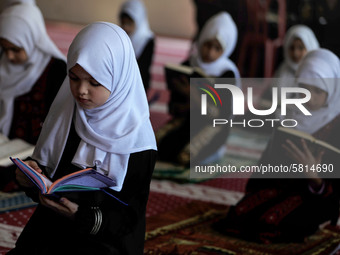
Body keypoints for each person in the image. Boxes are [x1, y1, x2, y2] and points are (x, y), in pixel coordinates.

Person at [8, 22, 157, 255]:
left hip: (104, 241)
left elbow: (129, 217)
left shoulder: (136, 141)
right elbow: (50, 179)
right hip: (53, 229)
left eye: (94, 82)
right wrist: (30, 176)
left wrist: (81, 216)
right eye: (74, 78)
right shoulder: (66, 114)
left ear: (118, 78)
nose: (81, 91)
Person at [214, 49, 340, 243]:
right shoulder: (288, 115)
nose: (309, 98)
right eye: (303, 89)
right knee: (238, 214)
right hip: (282, 187)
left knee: (271, 223)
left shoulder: (336, 127)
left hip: (318, 197)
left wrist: (314, 176)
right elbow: (268, 163)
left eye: (318, 91)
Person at [156, 11, 240, 167]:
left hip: (212, 127)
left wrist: (194, 96)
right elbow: (174, 108)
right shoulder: (189, 65)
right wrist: (185, 104)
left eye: (217, 48)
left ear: (226, 49)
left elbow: (221, 116)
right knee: (156, 148)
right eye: (207, 44)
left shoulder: (227, 73)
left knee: (185, 157)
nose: (210, 52)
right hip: (186, 120)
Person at [0, 4, 66, 144]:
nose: (9, 56)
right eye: (5, 48)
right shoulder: (2, 61)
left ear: (32, 39)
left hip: (36, 153)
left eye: (16, 49)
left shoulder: (56, 70)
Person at [119, 0, 154, 92]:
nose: (125, 27)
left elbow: (144, 67)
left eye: (129, 23)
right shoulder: (120, 37)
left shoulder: (148, 40)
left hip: (139, 82)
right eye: (123, 23)